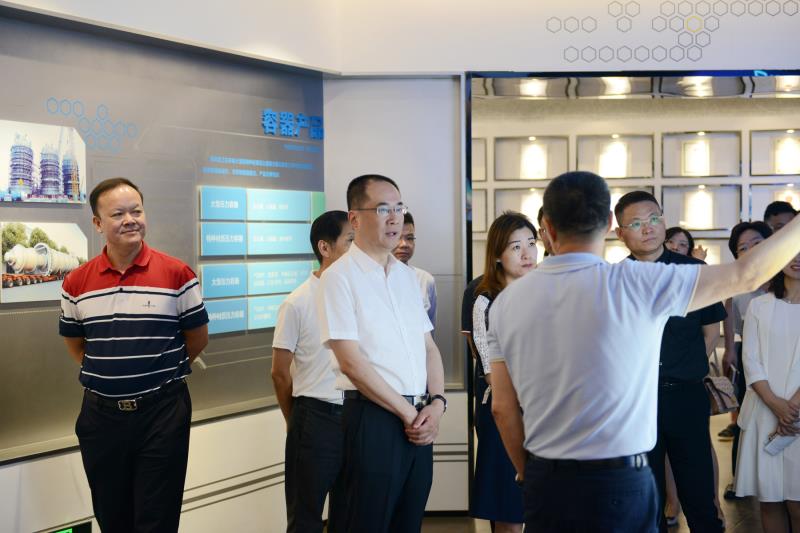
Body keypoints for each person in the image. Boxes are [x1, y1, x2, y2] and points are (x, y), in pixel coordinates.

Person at [487, 171, 800, 532]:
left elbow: (502, 408)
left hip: (547, 475)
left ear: (548, 229)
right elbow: (747, 274)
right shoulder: (635, 282)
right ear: (610, 224)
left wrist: (529, 474)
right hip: (619, 476)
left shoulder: (506, 303)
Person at [59, 177, 209, 532]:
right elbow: (76, 345)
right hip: (101, 418)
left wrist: (155, 372)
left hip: (162, 414)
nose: (130, 220)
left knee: (157, 519)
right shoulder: (76, 282)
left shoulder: (176, 274)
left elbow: (197, 338)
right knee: (112, 517)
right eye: (118, 214)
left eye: (137, 211)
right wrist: (114, 374)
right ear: (97, 223)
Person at [316, 174, 447, 533]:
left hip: (418, 419)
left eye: (399, 209)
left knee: (408, 522)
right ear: (355, 219)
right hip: (373, 419)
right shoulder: (339, 277)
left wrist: (437, 405)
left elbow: (429, 347)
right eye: (383, 209)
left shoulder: (407, 277)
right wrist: (408, 413)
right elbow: (351, 362)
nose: (395, 219)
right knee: (364, 522)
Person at [615, 191, 725, 532]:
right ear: (619, 233)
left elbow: (711, 332)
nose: (648, 228)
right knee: (645, 498)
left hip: (685, 395)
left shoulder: (694, 272)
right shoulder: (614, 279)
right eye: (636, 223)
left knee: (698, 492)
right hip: (636, 401)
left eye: (654, 219)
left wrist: (686, 366)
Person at [271, 210, 354, 533]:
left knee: (351, 514)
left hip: (357, 415)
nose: (357, 249)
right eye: (350, 241)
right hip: (315, 418)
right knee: (305, 517)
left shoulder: (357, 294)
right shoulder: (297, 302)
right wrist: (296, 420)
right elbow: (279, 373)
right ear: (325, 247)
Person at [471, 212, 537, 532]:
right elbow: (489, 370)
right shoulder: (486, 300)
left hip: (543, 410)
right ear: (497, 254)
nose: (527, 253)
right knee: (509, 510)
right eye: (515, 247)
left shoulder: (545, 293)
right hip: (504, 410)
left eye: (531, 243)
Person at [735, 251, 800, 533]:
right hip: (763, 410)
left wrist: (791, 409)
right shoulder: (759, 305)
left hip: (795, 414)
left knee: (798, 503)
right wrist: (775, 403)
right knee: (769, 500)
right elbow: (750, 359)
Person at [720, 221, 774, 500]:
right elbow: (730, 314)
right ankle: (739, 478)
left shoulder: (787, 275)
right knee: (746, 415)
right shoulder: (739, 283)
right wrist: (729, 348)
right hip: (748, 354)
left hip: (784, 355)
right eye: (743, 247)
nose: (751, 249)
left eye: (757, 243)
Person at [392, 211, 437, 328]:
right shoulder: (371, 279)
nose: (404, 244)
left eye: (410, 238)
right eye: (397, 237)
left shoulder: (425, 280)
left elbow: (430, 328)